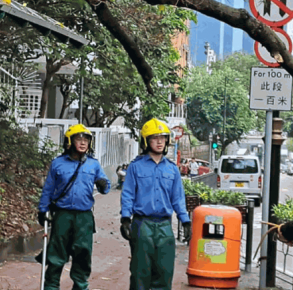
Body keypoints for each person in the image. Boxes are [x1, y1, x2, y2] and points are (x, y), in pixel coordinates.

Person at [120, 118, 191, 290]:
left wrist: (186, 221)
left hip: (165, 227)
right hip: (142, 224)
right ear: (146, 141)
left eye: (163, 137)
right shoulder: (136, 167)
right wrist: (125, 219)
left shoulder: (172, 169)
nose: (159, 142)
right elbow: (128, 194)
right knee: (140, 275)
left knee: (164, 273)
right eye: (154, 138)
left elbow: (178, 198)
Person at [37, 124, 111, 290]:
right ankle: (51, 285)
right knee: (56, 254)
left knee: (83, 254)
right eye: (79, 139)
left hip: (84, 217)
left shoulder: (93, 164)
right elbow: (48, 188)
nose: (83, 142)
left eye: (86, 139)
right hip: (62, 215)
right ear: (69, 141)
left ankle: (80, 286)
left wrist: (102, 184)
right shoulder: (58, 163)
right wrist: (42, 210)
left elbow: (106, 187)